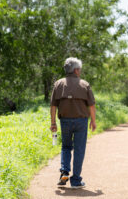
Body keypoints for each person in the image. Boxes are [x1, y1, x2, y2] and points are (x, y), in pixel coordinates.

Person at [50, 57, 96, 189]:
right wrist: (93, 121)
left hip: (64, 121)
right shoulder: (84, 84)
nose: (80, 71)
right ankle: (75, 181)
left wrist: (53, 123)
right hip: (81, 121)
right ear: (76, 70)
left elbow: (53, 106)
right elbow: (91, 106)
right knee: (79, 150)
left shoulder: (58, 84)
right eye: (80, 69)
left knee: (65, 147)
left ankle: (64, 171)